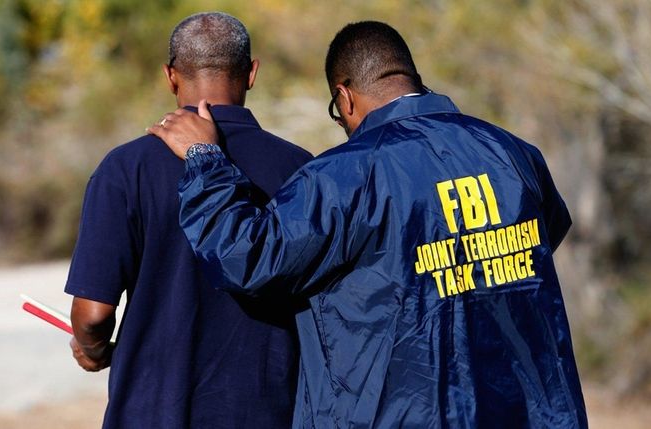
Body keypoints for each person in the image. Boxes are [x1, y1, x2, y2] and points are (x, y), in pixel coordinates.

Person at [150, 21, 587, 428]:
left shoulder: (346, 175)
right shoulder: (513, 153)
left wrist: (204, 159)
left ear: (345, 99)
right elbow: (549, 232)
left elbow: (247, 257)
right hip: (530, 412)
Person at [65, 12, 312, 428]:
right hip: (269, 412)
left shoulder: (125, 169)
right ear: (251, 74)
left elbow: (92, 314)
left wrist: (91, 348)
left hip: (151, 413)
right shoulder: (301, 169)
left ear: (170, 76)